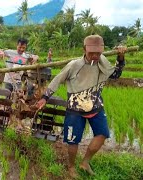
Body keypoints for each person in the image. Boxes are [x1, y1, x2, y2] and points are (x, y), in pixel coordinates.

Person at [35, 35, 127, 178]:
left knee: (102, 135)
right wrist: (45, 98)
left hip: (96, 106)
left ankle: (85, 162)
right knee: (73, 140)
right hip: (75, 109)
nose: (95, 56)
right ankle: (71, 166)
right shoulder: (74, 65)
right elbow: (57, 80)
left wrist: (121, 58)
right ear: (84, 49)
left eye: (98, 53)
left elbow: (115, 74)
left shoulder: (103, 63)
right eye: (91, 53)